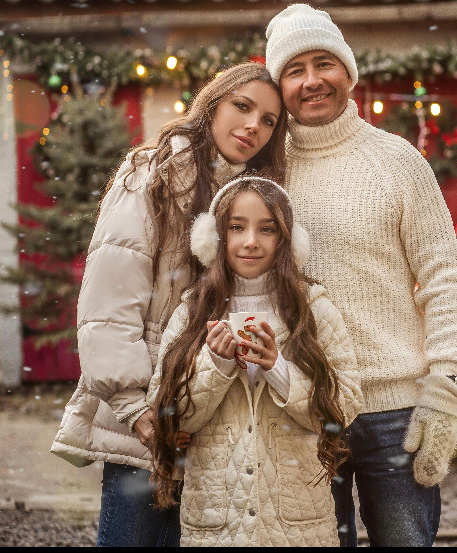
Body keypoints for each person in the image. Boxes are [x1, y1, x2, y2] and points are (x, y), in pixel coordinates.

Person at [49, 62, 288, 547]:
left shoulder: (255, 197)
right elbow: (108, 306)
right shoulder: (152, 175)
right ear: (212, 104)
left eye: (268, 120)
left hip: (213, 410)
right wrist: (137, 409)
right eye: (242, 107)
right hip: (146, 415)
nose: (253, 127)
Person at [264, 3, 457, 548]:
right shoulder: (264, 171)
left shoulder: (398, 161)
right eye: (294, 70)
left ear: (348, 72)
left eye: (323, 63)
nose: (312, 81)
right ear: (278, 85)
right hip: (302, 405)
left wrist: (443, 385)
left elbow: (443, 277)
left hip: (394, 411)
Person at [146, 175, 363, 547]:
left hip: (297, 525)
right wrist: (216, 365)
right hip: (217, 522)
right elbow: (169, 414)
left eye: (267, 229)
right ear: (215, 239)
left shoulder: (313, 309)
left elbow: (346, 405)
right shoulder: (193, 311)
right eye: (236, 227)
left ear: (286, 241)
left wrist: (279, 370)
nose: (250, 242)